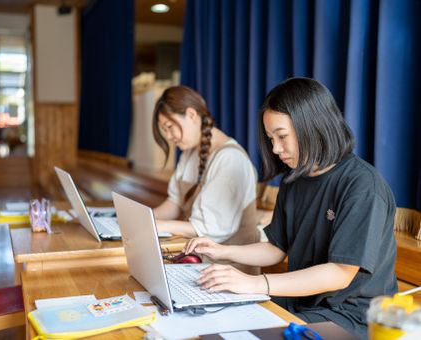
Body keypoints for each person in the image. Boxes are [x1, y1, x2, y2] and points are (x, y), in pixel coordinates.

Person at [183, 77, 397, 339]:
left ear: (313, 125)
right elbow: (277, 248)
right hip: (302, 303)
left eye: (281, 137)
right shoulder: (294, 178)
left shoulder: (362, 186)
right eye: (271, 139)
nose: (275, 149)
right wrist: (222, 250)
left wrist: (255, 283)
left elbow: (340, 274)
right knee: (213, 320)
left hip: (348, 317)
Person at [152, 85, 260, 246]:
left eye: (169, 127)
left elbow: (210, 229)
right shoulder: (190, 153)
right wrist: (145, 219)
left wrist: (159, 226)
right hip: (199, 258)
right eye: (164, 129)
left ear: (191, 114)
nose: (168, 136)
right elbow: (175, 203)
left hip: (229, 266)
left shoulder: (230, 158)